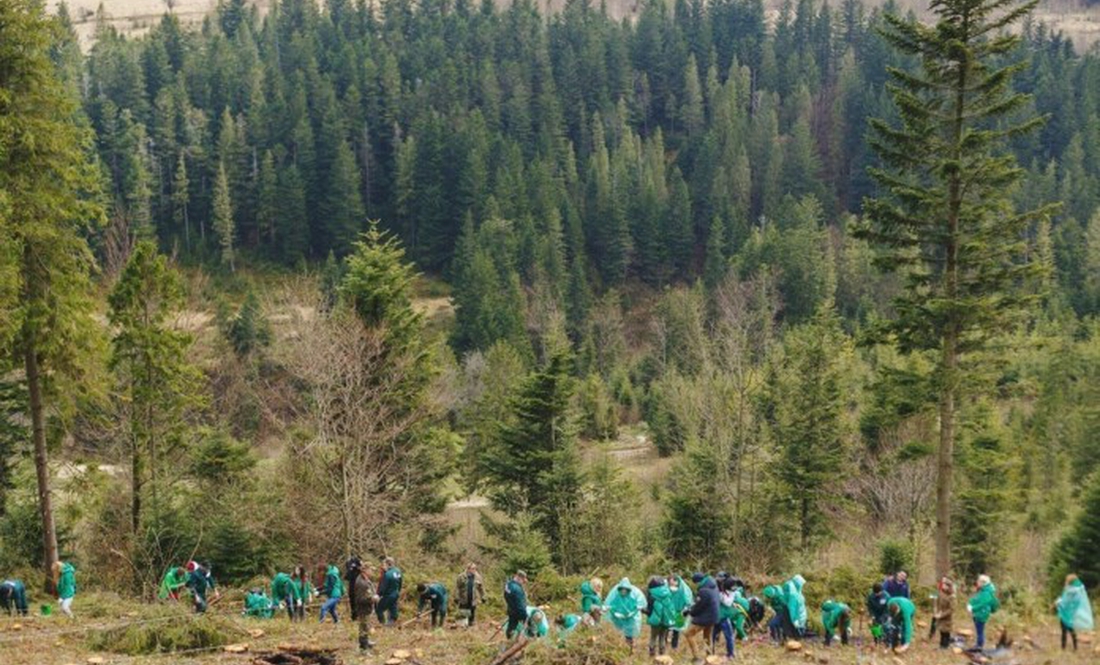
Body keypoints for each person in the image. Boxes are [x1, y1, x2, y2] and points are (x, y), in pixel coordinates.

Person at [683, 573, 720, 661]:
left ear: (697, 582)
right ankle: (710, 656)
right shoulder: (713, 586)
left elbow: (699, 607)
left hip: (705, 618)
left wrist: (690, 612)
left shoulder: (703, 591)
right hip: (713, 616)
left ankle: (697, 657)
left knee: (688, 634)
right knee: (707, 636)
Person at [604, 578, 646, 653]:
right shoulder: (615, 593)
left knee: (630, 635)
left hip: (631, 618)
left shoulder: (635, 593)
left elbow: (641, 604)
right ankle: (620, 650)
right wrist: (609, 609)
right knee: (619, 634)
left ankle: (630, 650)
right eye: (622, 589)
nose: (623, 591)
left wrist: (634, 611)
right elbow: (608, 604)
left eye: (625, 589)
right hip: (617, 618)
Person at [1055, 574, 1094, 651]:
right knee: (1072, 630)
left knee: (1064, 631)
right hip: (1071, 614)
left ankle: (1063, 648)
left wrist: (1058, 602)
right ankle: (1075, 647)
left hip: (1065, 613)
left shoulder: (1069, 590)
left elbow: (1065, 602)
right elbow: (1075, 602)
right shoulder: (1078, 590)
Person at [967, 575, 999, 650]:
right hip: (979, 613)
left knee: (980, 630)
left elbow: (982, 603)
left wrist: (972, 608)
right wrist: (970, 603)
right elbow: (976, 599)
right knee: (979, 629)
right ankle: (979, 644)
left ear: (983, 582)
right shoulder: (983, 590)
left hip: (982, 613)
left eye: (979, 581)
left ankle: (979, 646)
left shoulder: (986, 592)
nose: (977, 582)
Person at [353, 562, 379, 651]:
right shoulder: (361, 583)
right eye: (371, 569)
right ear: (365, 570)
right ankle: (364, 648)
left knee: (365, 627)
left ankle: (366, 642)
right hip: (363, 609)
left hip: (367, 608)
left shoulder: (366, 580)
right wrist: (372, 599)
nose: (372, 571)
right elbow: (359, 599)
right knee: (364, 628)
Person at [713, 576, 738, 659]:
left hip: (721, 617)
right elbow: (727, 603)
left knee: (727, 636)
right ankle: (711, 652)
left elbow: (728, 602)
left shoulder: (728, 592)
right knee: (714, 636)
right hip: (718, 617)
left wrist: (723, 595)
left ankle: (730, 654)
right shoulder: (719, 591)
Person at [668, 574, 693, 650]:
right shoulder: (668, 589)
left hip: (680, 612)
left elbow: (688, 602)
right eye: (670, 583)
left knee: (676, 630)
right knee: (667, 628)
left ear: (677, 581)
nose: (671, 584)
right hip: (670, 612)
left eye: (672, 582)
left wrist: (684, 611)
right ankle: (665, 644)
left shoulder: (684, 590)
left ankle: (674, 646)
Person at [376, 556, 403, 624]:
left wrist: (379, 595)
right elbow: (400, 582)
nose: (384, 566)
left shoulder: (387, 575)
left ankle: (382, 624)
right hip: (395, 593)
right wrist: (398, 591)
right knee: (392, 607)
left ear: (388, 564)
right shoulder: (398, 571)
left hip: (388, 595)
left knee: (379, 609)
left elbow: (383, 587)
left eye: (384, 564)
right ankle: (392, 622)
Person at [504, 570, 529, 640]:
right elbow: (520, 605)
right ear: (519, 578)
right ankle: (519, 641)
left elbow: (505, 596)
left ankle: (509, 639)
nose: (523, 583)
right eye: (523, 581)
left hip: (510, 609)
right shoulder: (517, 590)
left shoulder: (508, 584)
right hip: (518, 612)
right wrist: (525, 616)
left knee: (511, 626)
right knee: (525, 627)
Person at [932, 577, 956, 649]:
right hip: (940, 614)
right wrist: (936, 611)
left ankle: (945, 646)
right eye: (943, 585)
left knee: (946, 632)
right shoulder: (941, 593)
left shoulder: (952, 596)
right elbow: (936, 602)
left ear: (949, 587)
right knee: (941, 631)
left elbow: (951, 609)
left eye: (945, 585)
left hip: (947, 617)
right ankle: (941, 645)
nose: (943, 586)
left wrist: (942, 615)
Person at [344, 556, 362, 620]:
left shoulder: (358, 568)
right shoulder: (349, 568)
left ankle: (358, 614)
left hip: (357, 585)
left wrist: (357, 567)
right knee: (352, 600)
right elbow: (347, 577)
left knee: (357, 600)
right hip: (352, 585)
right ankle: (354, 615)